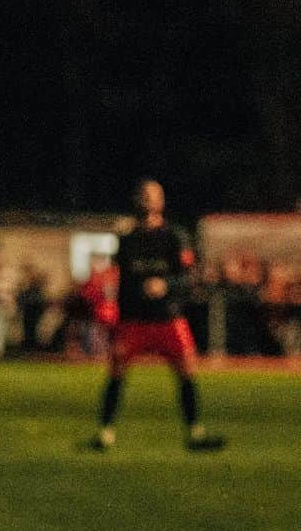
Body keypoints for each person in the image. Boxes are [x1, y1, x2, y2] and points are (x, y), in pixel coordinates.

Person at [91, 178, 224, 452]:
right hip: (134, 320)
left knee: (187, 370)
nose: (147, 199)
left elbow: (189, 277)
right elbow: (118, 280)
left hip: (167, 318)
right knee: (116, 371)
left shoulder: (174, 237)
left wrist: (166, 285)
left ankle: (195, 433)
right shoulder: (126, 240)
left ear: (161, 201)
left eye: (152, 194)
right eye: (143, 194)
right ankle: (104, 433)